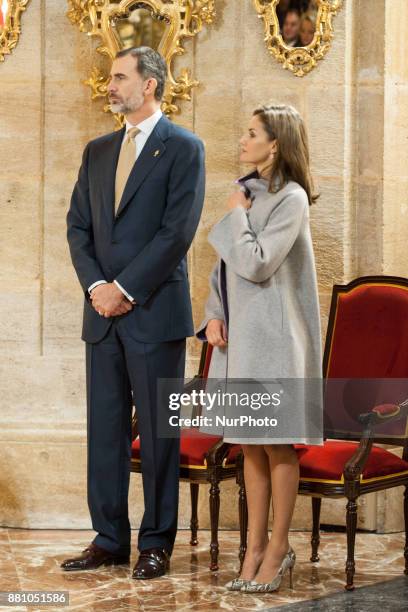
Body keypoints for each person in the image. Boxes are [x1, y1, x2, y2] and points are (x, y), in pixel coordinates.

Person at [63, 46, 205, 579]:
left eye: (119, 77)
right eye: (110, 76)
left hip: (154, 312)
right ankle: (108, 538)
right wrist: (98, 286)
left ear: (149, 84)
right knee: (105, 431)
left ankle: (156, 542)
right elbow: (78, 227)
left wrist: (125, 288)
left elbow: (178, 232)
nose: (110, 84)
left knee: (159, 432)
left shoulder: (184, 147)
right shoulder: (97, 151)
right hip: (101, 316)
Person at [196, 103, 323, 593]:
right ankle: (251, 549)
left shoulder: (291, 199)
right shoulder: (244, 194)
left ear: (276, 144)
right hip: (241, 339)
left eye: (252, 134)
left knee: (277, 442)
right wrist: (213, 312)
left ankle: (278, 547)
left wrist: (235, 218)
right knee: (250, 444)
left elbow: (258, 263)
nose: (242, 141)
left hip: (274, 340)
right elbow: (224, 268)